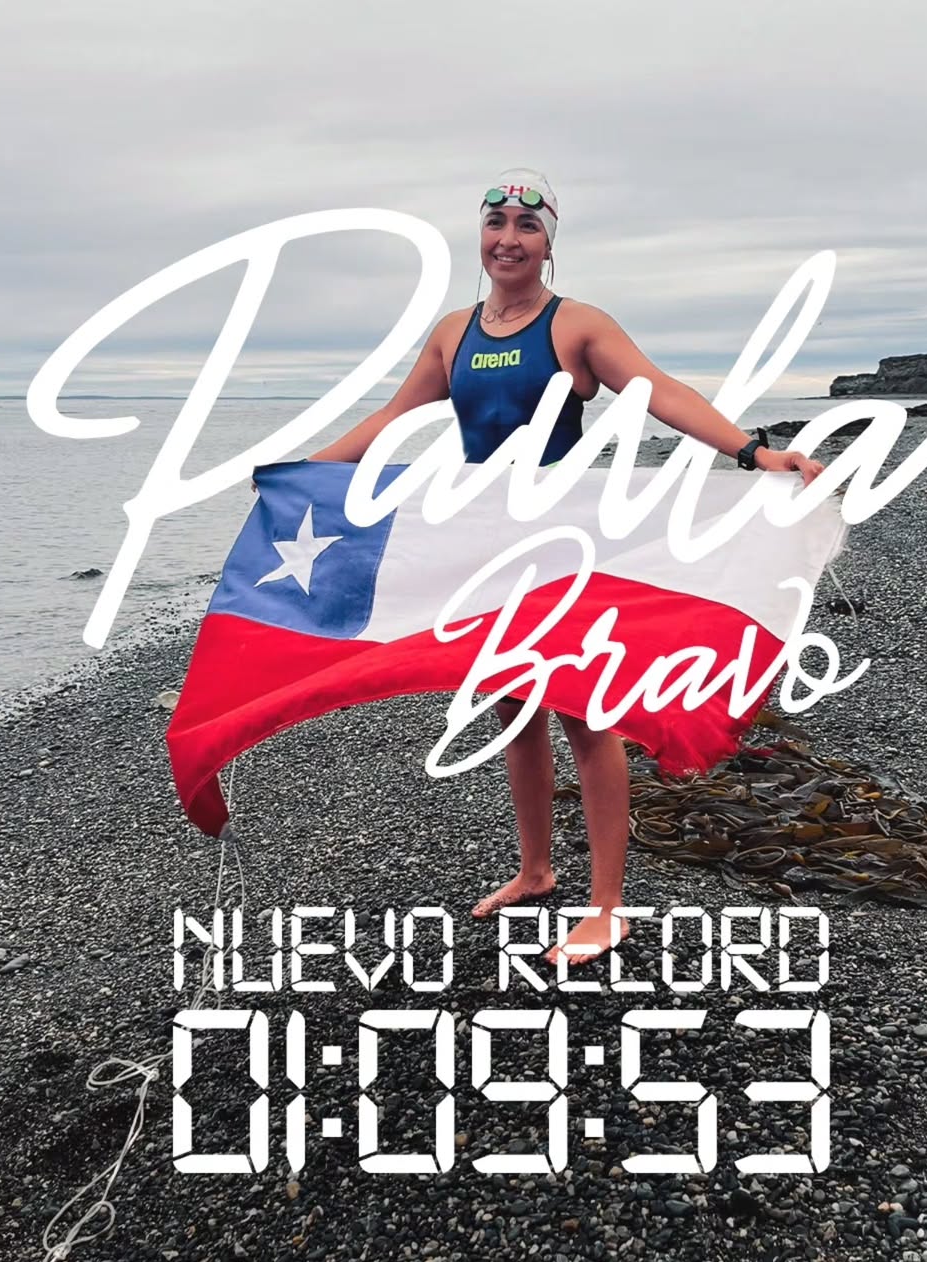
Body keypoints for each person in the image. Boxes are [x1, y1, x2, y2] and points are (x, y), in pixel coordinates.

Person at [308, 168, 825, 966]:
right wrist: (306, 473)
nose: (509, 239)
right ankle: (536, 871)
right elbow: (394, 416)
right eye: (496, 224)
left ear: (549, 244)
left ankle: (607, 907)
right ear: (480, 236)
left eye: (528, 227)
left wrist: (754, 452)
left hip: (565, 546)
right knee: (512, 712)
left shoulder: (575, 324)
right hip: (486, 541)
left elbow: (660, 393)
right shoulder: (453, 332)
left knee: (586, 716)